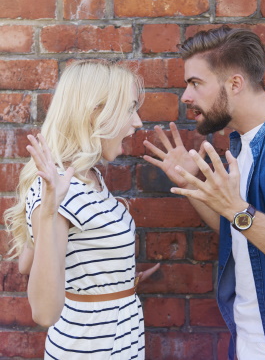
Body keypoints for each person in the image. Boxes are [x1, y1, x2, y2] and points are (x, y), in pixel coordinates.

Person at [5, 60, 159, 360]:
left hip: (112, 339)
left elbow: (29, 261)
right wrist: (47, 214)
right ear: (95, 113)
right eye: (129, 108)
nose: (137, 121)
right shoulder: (59, 190)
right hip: (90, 348)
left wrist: (114, 275)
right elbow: (44, 313)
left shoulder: (89, 178)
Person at [143, 26, 265, 360]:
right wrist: (189, 183)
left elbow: (242, 218)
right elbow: (241, 231)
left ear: (235, 84)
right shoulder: (240, 148)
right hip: (245, 339)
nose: (185, 96)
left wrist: (238, 210)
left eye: (195, 83)